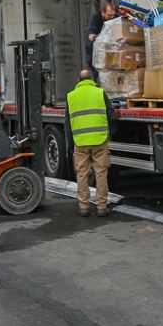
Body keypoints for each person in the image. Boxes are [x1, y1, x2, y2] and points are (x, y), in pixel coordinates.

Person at [65, 69, 116, 217]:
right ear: (92, 79)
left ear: (78, 80)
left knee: (82, 174)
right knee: (101, 173)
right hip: (99, 140)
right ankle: (101, 207)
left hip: (80, 142)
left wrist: (70, 144)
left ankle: (83, 207)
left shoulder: (71, 96)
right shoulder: (100, 92)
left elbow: (67, 124)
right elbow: (111, 115)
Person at [84, 2, 118, 71]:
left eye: (113, 15)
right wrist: (91, 35)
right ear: (103, 13)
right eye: (109, 15)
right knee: (95, 71)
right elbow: (91, 29)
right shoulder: (96, 17)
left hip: (110, 49)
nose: (112, 17)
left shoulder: (115, 17)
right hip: (95, 50)